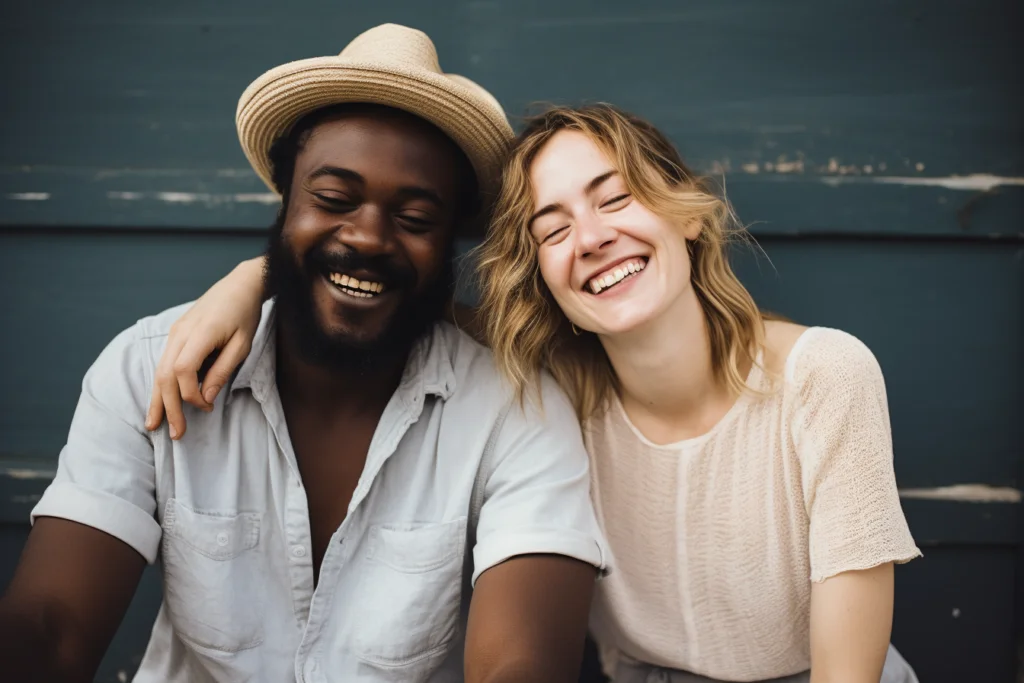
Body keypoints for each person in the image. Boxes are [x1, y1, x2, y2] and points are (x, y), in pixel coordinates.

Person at [144, 103, 923, 683]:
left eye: (615, 199)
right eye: (553, 229)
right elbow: (383, 289)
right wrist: (253, 281)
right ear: (544, 279)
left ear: (684, 215)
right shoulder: (559, 397)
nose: (590, 239)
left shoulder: (823, 377)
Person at [0, 25, 609, 683]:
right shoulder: (152, 366)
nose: (370, 238)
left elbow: (522, 661)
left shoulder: (513, 408)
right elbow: (52, 624)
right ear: (285, 200)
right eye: (334, 199)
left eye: (414, 218)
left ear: (449, 242)